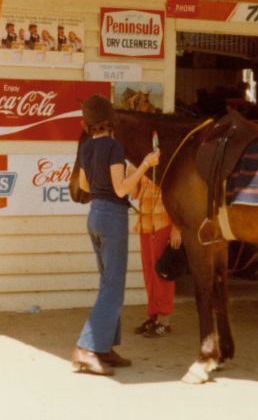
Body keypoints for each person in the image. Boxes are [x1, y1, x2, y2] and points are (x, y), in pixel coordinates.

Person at [71, 95, 160, 376]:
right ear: (111, 122)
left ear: (89, 124)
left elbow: (84, 184)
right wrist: (146, 165)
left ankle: (105, 346)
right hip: (112, 217)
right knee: (113, 286)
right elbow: (121, 190)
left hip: (94, 214)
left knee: (107, 283)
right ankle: (86, 348)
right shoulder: (114, 146)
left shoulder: (86, 149)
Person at [130, 172, 181, 337]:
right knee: (149, 274)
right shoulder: (141, 163)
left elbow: (178, 197)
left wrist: (176, 228)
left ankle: (164, 320)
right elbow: (134, 193)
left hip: (164, 222)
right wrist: (133, 173)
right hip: (146, 223)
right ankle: (153, 317)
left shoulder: (167, 160)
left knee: (162, 273)